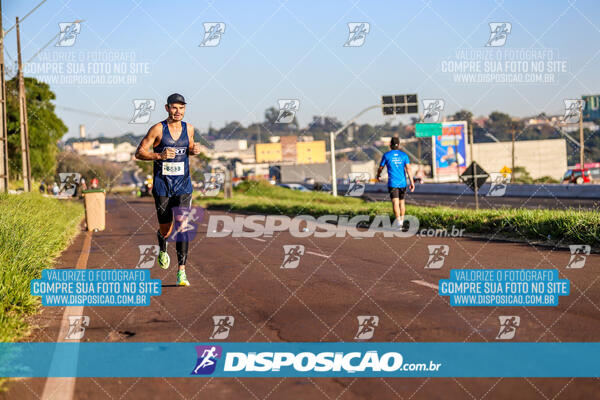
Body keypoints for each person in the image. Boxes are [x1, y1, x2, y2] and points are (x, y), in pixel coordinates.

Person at [135, 93, 202, 286]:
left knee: (183, 227)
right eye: (174, 107)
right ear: (167, 108)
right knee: (166, 228)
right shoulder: (157, 129)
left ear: (185, 109)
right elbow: (139, 153)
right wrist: (159, 155)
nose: (178, 111)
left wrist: (194, 150)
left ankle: (182, 271)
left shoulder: (188, 128)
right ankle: (162, 243)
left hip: (183, 185)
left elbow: (188, 147)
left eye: (181, 108)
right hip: (162, 186)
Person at [376, 137, 415, 228]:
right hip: (403, 183)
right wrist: (412, 182)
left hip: (393, 183)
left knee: (395, 203)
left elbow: (380, 168)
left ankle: (398, 223)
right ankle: (401, 220)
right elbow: (408, 169)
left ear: (390, 145)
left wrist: (378, 175)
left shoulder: (386, 155)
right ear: (399, 145)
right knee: (402, 203)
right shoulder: (404, 155)